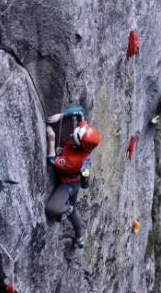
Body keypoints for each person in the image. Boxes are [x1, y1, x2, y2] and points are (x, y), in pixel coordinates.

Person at [45, 106, 101, 249]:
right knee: (74, 208)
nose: (73, 133)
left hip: (68, 185)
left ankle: (67, 210)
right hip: (75, 182)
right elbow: (79, 112)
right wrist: (62, 115)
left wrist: (51, 140)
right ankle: (79, 237)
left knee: (53, 208)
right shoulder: (85, 135)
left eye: (75, 134)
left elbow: (51, 161)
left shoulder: (74, 161)